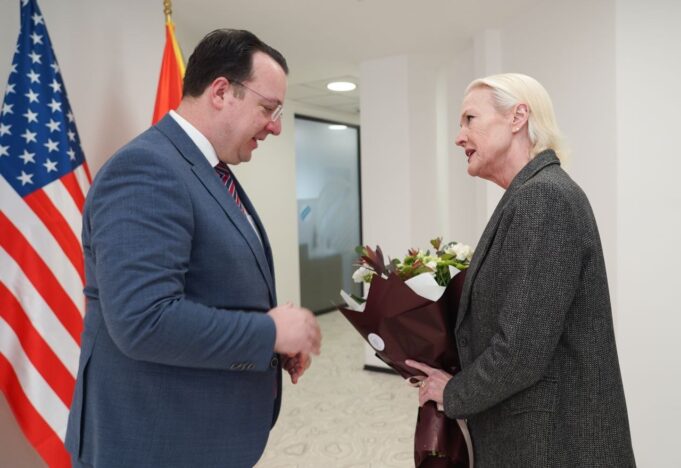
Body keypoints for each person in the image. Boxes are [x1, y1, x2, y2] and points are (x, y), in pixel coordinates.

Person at [65, 29, 321, 468]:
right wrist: (270, 332)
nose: (276, 126)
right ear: (221, 92)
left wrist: (269, 342)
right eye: (268, 108)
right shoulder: (146, 168)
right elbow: (145, 320)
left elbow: (209, 288)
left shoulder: (207, 168)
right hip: (152, 445)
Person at [406, 73, 635, 466]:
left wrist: (454, 392)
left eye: (470, 119)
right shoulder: (532, 195)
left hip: (553, 444)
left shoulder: (544, 198)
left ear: (517, 118)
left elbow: (521, 351)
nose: (459, 137)